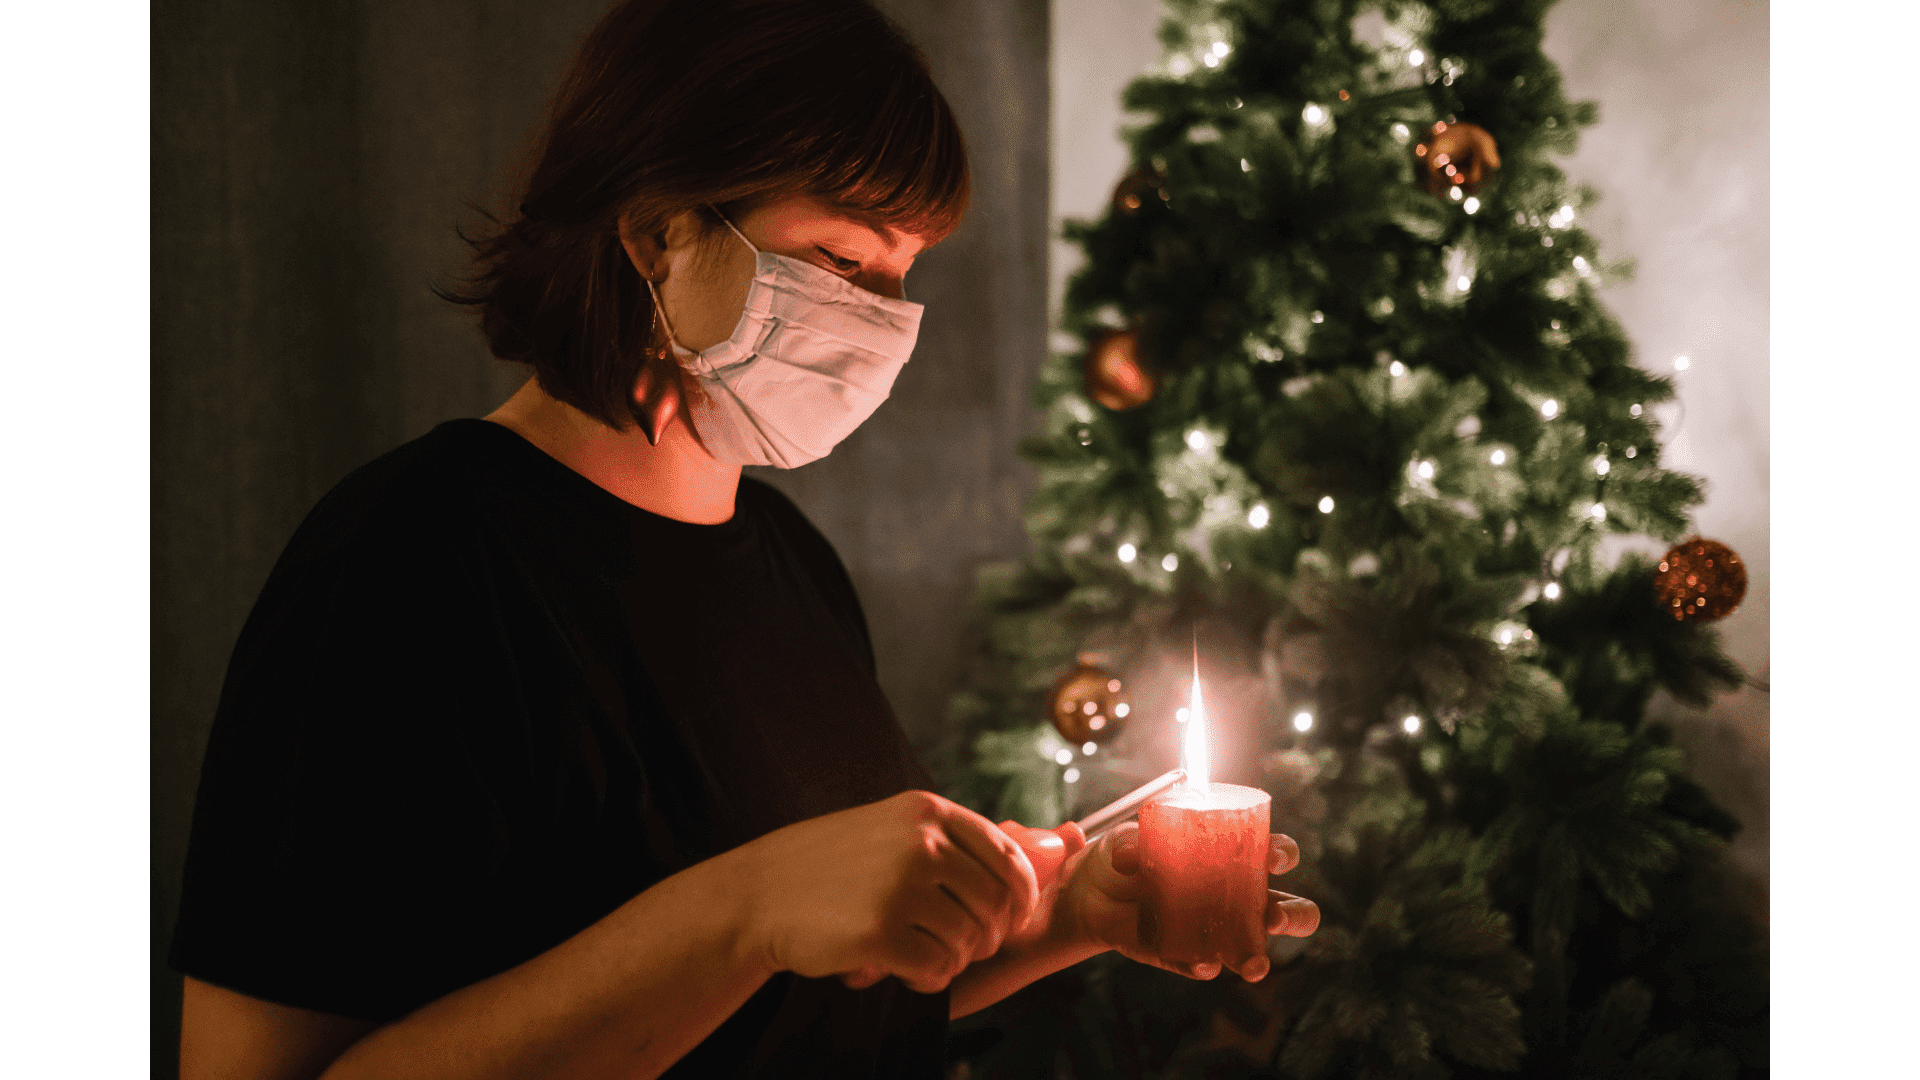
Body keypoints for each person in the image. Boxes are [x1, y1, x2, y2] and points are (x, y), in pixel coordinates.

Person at [170, 1, 1320, 1077]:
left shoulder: (788, 563)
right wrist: (742, 913)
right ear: (659, 232)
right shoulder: (407, 563)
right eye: (843, 261)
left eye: (901, 276)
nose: (882, 325)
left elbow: (825, 1006)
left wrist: (1070, 915)